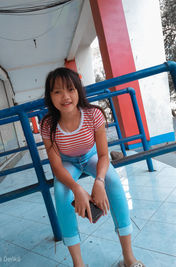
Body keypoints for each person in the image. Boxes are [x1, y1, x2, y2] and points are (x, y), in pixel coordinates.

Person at [40, 67, 145, 267]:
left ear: (78, 90)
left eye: (70, 89)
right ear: (50, 96)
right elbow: (56, 166)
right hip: (67, 162)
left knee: (113, 182)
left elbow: (104, 155)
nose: (65, 96)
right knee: (61, 194)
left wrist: (99, 181)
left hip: (91, 156)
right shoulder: (48, 125)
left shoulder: (93, 114)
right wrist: (77, 188)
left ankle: (129, 258)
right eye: (57, 91)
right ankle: (78, 264)